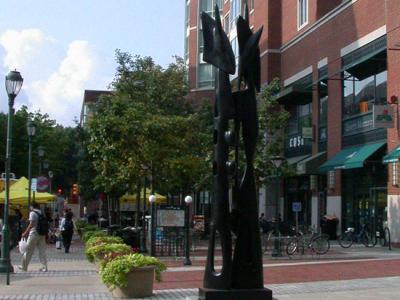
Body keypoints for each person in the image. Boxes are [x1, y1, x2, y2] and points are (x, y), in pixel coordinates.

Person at [18, 202, 48, 272]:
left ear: (32, 206)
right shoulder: (41, 213)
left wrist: (25, 233)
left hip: (34, 234)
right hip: (42, 234)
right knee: (42, 251)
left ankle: (24, 266)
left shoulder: (32, 213)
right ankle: (44, 267)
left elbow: (31, 224)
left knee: (28, 250)